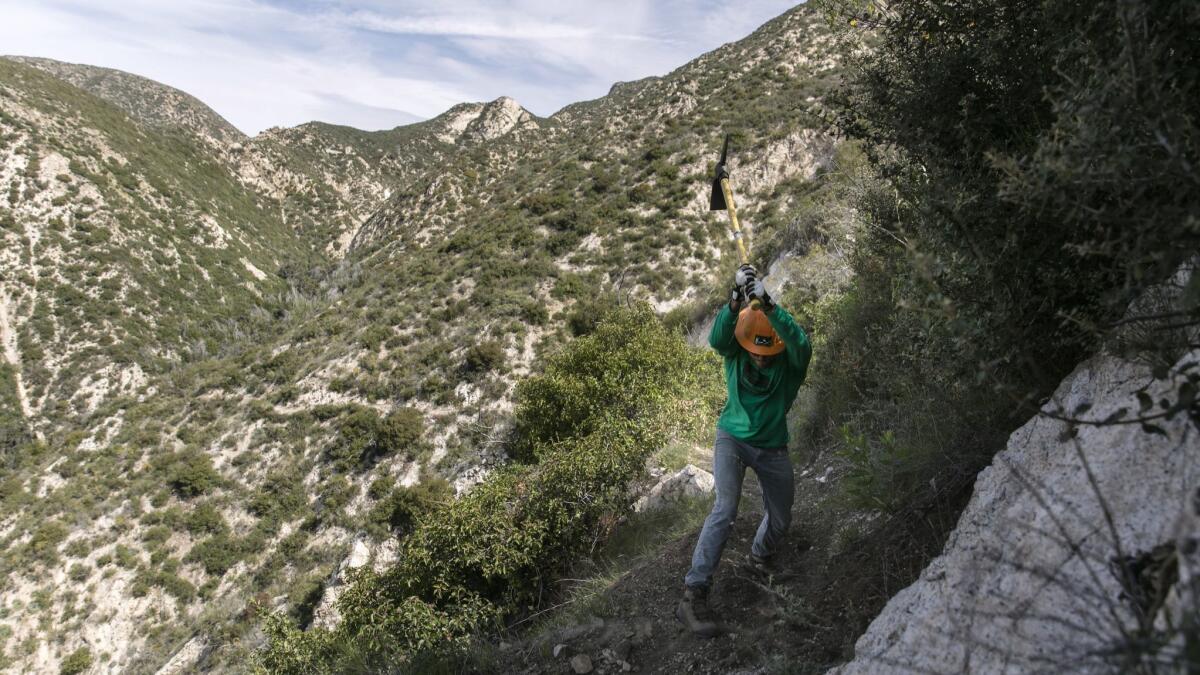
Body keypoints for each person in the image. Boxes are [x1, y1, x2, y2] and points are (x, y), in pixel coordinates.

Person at [676, 263, 812, 638]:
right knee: (725, 507)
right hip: (731, 439)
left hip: (772, 447)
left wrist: (768, 305)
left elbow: (802, 344)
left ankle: (760, 556)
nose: (761, 358)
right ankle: (694, 593)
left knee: (781, 518)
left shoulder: (791, 364)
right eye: (755, 352)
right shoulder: (735, 350)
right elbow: (718, 339)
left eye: (767, 354)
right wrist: (735, 299)